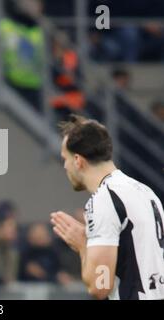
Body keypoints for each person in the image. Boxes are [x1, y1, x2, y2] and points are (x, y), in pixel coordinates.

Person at [51, 115, 164, 300]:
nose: (65, 166)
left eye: (65, 158)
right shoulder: (146, 192)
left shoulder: (103, 200)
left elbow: (100, 286)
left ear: (78, 160)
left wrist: (82, 245)